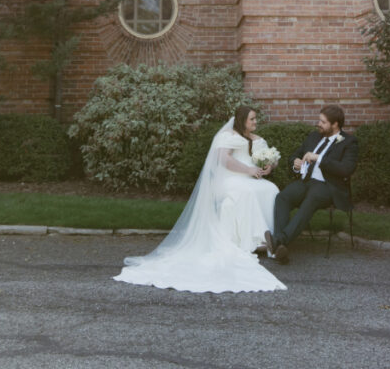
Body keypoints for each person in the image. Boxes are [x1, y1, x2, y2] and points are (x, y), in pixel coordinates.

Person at [114, 106, 285, 292]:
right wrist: (248, 170)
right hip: (230, 179)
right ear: (242, 120)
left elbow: (272, 159)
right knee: (247, 192)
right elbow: (224, 160)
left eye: (255, 119)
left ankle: (271, 237)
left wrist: (269, 166)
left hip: (251, 179)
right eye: (252, 119)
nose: (255, 122)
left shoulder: (258, 139)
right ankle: (257, 241)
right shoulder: (228, 135)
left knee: (271, 189)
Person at [264, 104, 358, 264]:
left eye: (323, 122)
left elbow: (346, 169)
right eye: (319, 120)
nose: (319, 124)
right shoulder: (314, 136)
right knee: (283, 197)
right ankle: (280, 246)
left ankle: (280, 241)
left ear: (335, 124)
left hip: (328, 187)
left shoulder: (348, 142)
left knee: (312, 198)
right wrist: (295, 162)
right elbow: (295, 155)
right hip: (306, 182)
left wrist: (318, 158)